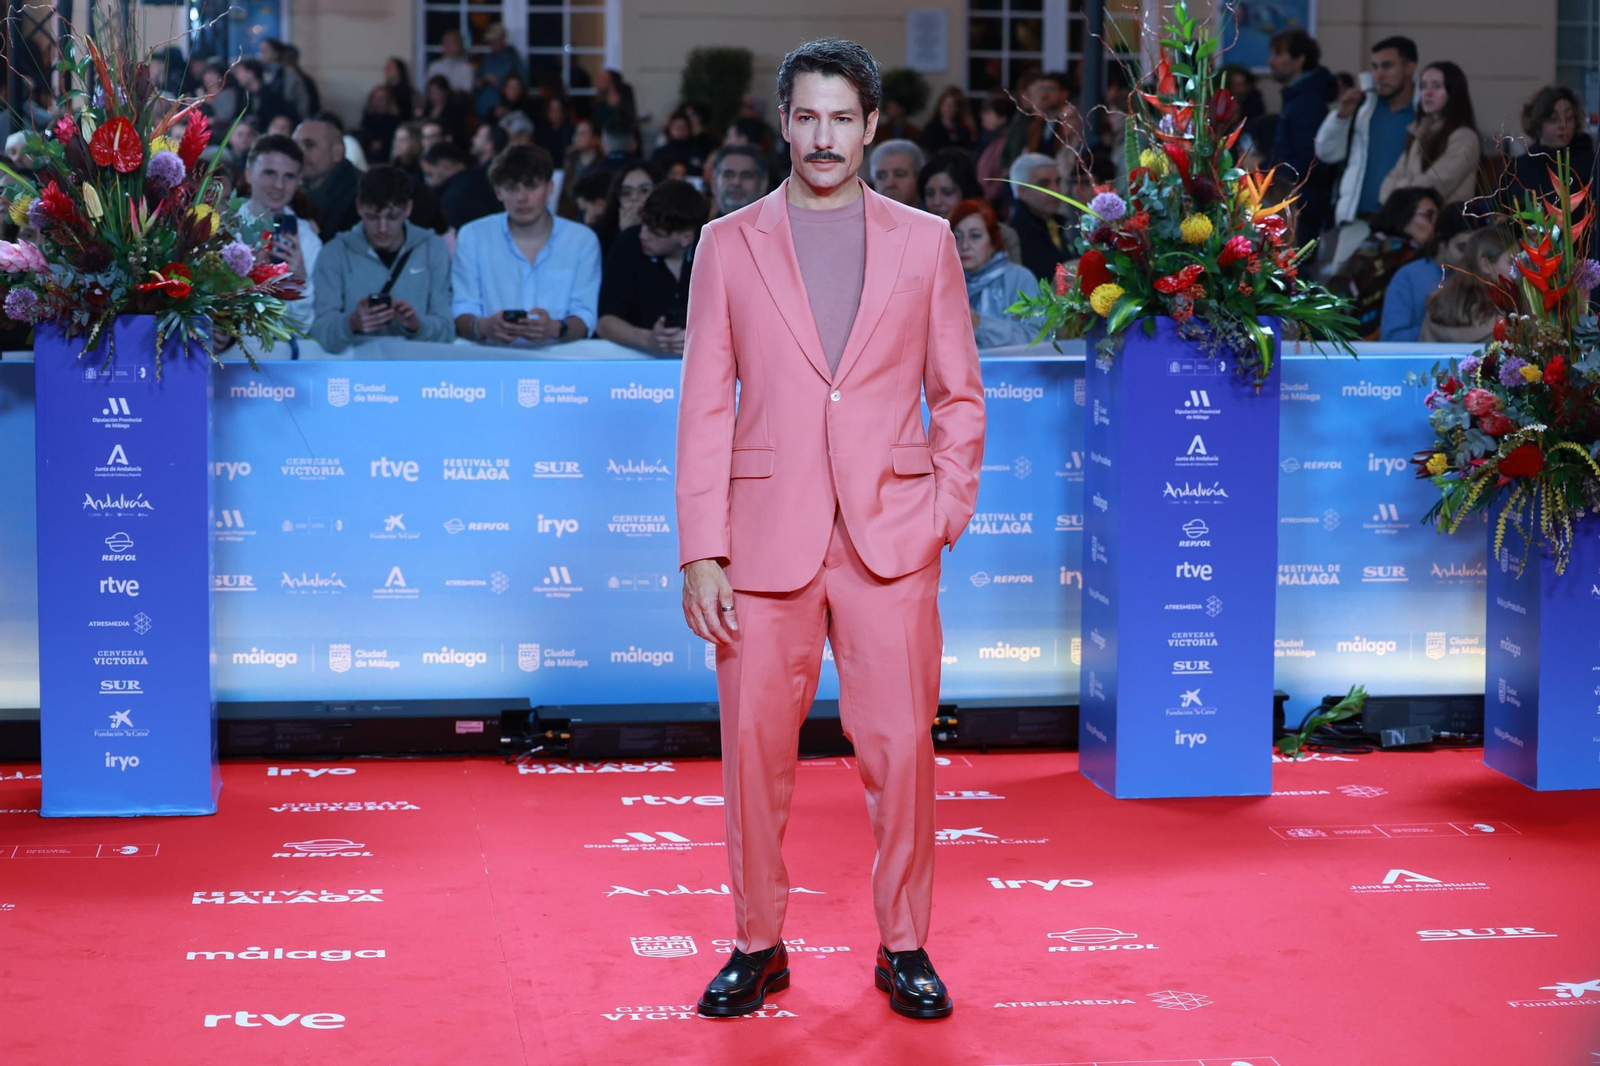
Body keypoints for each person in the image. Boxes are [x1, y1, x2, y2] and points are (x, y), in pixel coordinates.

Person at [677, 35, 982, 1023]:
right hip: (763, 541)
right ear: (782, 122)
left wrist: (941, 513)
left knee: (900, 753)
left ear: (871, 127)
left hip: (892, 542)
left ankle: (904, 946)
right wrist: (701, 549)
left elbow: (959, 399)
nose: (822, 135)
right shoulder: (728, 243)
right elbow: (704, 407)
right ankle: (757, 942)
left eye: (841, 118)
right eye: (805, 116)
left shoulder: (926, 243)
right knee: (752, 758)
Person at [451, 144, 601, 346]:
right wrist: (484, 326)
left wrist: (554, 329)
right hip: (492, 359)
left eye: (531, 186)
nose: (522, 198)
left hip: (559, 362)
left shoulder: (582, 240)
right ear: (498, 192)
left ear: (550, 188)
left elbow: (585, 314)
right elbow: (462, 306)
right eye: (511, 188)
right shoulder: (473, 235)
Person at [309, 165, 455, 353]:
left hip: (416, 370)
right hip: (356, 372)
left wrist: (416, 325)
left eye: (392, 217)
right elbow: (320, 332)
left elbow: (447, 330)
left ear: (408, 209)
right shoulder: (334, 252)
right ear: (359, 207)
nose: (382, 228)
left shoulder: (433, 249)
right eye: (372, 217)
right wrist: (351, 323)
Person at [1314, 36, 1419, 272]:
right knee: (1341, 300)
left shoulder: (1423, 112)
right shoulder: (1363, 108)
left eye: (1387, 66)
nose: (1378, 75)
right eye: (1375, 67)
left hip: (1405, 224)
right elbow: (1326, 152)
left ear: (1410, 67)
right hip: (1358, 221)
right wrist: (1341, 116)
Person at [597, 179, 705, 353]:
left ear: (686, 238)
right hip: (637, 362)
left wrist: (702, 339)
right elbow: (605, 323)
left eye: (655, 232)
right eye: (643, 224)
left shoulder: (714, 251)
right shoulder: (628, 243)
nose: (643, 235)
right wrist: (648, 340)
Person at [239, 135, 322, 354]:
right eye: (269, 173)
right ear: (249, 173)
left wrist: (298, 284)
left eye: (289, 176)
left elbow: (302, 328)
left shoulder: (307, 241)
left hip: (283, 360)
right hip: (228, 356)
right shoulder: (224, 230)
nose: (279, 185)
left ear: (298, 181)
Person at [1328, 185, 1441, 339]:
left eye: (1438, 218)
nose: (1435, 224)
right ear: (1403, 215)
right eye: (1428, 216)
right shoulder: (1393, 253)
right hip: (1355, 341)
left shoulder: (1377, 245)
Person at [1266, 29, 1338, 242]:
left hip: (1302, 208)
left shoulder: (1307, 103)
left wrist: (1266, 169)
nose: (1271, 61)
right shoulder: (1299, 98)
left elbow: (1310, 162)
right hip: (1297, 203)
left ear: (1299, 60)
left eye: (1279, 54)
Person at [1380, 61, 1481, 208]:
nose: (1427, 92)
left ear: (1453, 92)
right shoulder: (1419, 132)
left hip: (1445, 226)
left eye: (1436, 86)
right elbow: (1388, 184)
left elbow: (1431, 187)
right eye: (1423, 86)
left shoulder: (1465, 137)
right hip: (1408, 221)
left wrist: (1401, 187)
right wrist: (1403, 188)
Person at [950, 198, 1042, 348]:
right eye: (957, 236)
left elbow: (1038, 338)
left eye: (975, 236)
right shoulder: (943, 282)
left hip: (1010, 370)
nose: (964, 245)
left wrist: (980, 324)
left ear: (993, 243)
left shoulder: (1019, 279)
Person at [918, 149, 1021, 264]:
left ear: (967, 193)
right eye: (930, 194)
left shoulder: (1002, 235)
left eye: (947, 192)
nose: (937, 202)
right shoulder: (916, 238)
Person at [1503, 85, 1596, 206]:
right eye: (1553, 119)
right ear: (1538, 122)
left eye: (1569, 118)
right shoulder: (1517, 168)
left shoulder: (1590, 165)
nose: (1563, 125)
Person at [1419, 227, 1515, 343]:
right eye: (1511, 262)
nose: (1519, 268)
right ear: (1485, 265)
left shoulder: (1437, 306)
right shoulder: (1510, 313)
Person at [295, 114, 363, 235]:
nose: (299, 153)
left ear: (337, 152)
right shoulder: (293, 188)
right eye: (295, 145)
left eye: (309, 145)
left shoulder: (360, 192)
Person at [1007, 151, 1070, 280]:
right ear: (1022, 192)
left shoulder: (1058, 223)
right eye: (1044, 184)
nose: (1056, 190)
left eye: (1057, 182)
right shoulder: (1014, 236)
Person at [1001, 69, 1072, 170]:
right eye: (1043, 89)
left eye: (1051, 89)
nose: (1045, 94)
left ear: (1064, 93)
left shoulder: (1071, 122)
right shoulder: (1036, 125)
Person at [421, 141, 499, 230]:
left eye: (430, 174)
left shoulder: (452, 198)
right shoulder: (487, 176)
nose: (430, 182)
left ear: (445, 165)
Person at [474, 23, 527, 119]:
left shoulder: (512, 59)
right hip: (483, 108)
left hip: (503, 108)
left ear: (502, 40)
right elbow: (477, 83)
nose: (491, 44)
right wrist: (484, 81)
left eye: (494, 41)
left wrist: (501, 84)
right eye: (490, 42)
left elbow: (521, 83)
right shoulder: (486, 60)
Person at [975, 91, 1016, 208]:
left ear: (1002, 118)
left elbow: (1002, 177)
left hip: (996, 206)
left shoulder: (1004, 143)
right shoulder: (988, 139)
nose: (983, 116)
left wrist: (985, 199)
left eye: (988, 112)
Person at [708, 143, 768, 218]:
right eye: (728, 175)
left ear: (762, 184)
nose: (736, 182)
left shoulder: (782, 228)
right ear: (714, 183)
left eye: (746, 176)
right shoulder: (697, 228)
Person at [922, 86, 975, 156]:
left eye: (953, 105)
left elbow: (970, 147)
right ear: (940, 107)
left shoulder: (962, 127)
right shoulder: (932, 127)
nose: (949, 109)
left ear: (957, 109)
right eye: (946, 105)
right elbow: (932, 149)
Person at [869, 139, 923, 206]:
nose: (890, 184)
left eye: (899, 174)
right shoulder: (861, 215)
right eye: (881, 176)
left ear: (918, 178)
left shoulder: (933, 215)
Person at [425, 29, 474, 94]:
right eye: (445, 43)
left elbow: (466, 91)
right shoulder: (435, 66)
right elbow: (429, 89)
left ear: (459, 46)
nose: (448, 46)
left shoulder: (466, 69)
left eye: (451, 43)